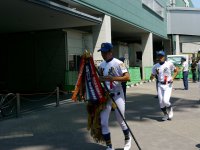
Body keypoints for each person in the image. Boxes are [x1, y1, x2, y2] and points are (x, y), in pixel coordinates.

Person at [98, 42, 131, 150]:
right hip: (106, 96)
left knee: (121, 120)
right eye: (102, 52)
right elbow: (99, 79)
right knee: (103, 121)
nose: (103, 54)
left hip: (118, 94)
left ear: (110, 52)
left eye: (105, 52)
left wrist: (113, 78)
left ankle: (127, 139)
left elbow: (127, 77)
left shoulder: (119, 63)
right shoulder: (101, 65)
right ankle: (109, 146)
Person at [150, 50, 178, 121]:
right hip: (160, 85)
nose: (160, 57)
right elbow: (151, 77)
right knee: (161, 103)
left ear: (164, 57)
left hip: (168, 85)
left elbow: (176, 70)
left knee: (165, 101)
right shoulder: (155, 66)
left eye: (161, 56)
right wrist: (154, 75)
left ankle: (170, 109)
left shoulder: (169, 64)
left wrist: (172, 78)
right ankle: (165, 114)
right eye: (158, 56)